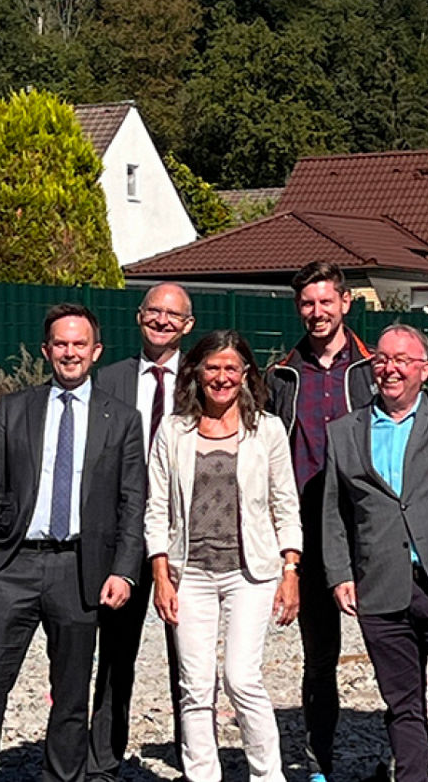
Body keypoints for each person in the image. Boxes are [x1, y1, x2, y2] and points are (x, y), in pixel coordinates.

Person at [0, 303, 147, 782]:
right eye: (60, 343)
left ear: (96, 351)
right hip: (13, 565)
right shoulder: (15, 409)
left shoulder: (121, 419)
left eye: (79, 344)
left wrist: (123, 569)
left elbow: (132, 500)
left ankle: (63, 777)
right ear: (46, 350)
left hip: (79, 570)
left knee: (71, 694)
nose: (70, 352)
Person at [322, 324, 428, 782]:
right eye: (381, 359)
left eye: (401, 360)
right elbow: (335, 512)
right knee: (402, 705)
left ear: (424, 369)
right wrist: (339, 574)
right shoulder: (344, 432)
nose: (389, 368)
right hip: (382, 589)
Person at [146, 329, 302, 782]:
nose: (221, 377)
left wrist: (290, 570)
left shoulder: (267, 430)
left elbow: (285, 503)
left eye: (230, 368)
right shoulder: (173, 431)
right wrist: (161, 572)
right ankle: (202, 775)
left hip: (250, 573)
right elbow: (157, 507)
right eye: (212, 367)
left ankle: (266, 775)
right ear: (196, 372)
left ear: (246, 374)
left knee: (242, 678)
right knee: (195, 687)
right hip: (189, 572)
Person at [264, 261, 374, 782]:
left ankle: (400, 758)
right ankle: (318, 763)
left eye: (326, 302)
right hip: (307, 532)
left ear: (346, 303)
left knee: (392, 651)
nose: (317, 312)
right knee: (319, 659)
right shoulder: (281, 377)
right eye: (307, 303)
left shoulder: (375, 370)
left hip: (369, 532)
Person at [88, 282, 194, 779]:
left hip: (187, 537)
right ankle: (104, 759)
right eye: (154, 311)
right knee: (115, 654)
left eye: (173, 315)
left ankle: (195, 756)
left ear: (187, 325)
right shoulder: (105, 380)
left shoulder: (204, 378)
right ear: (139, 316)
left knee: (188, 655)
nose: (162, 321)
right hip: (123, 535)